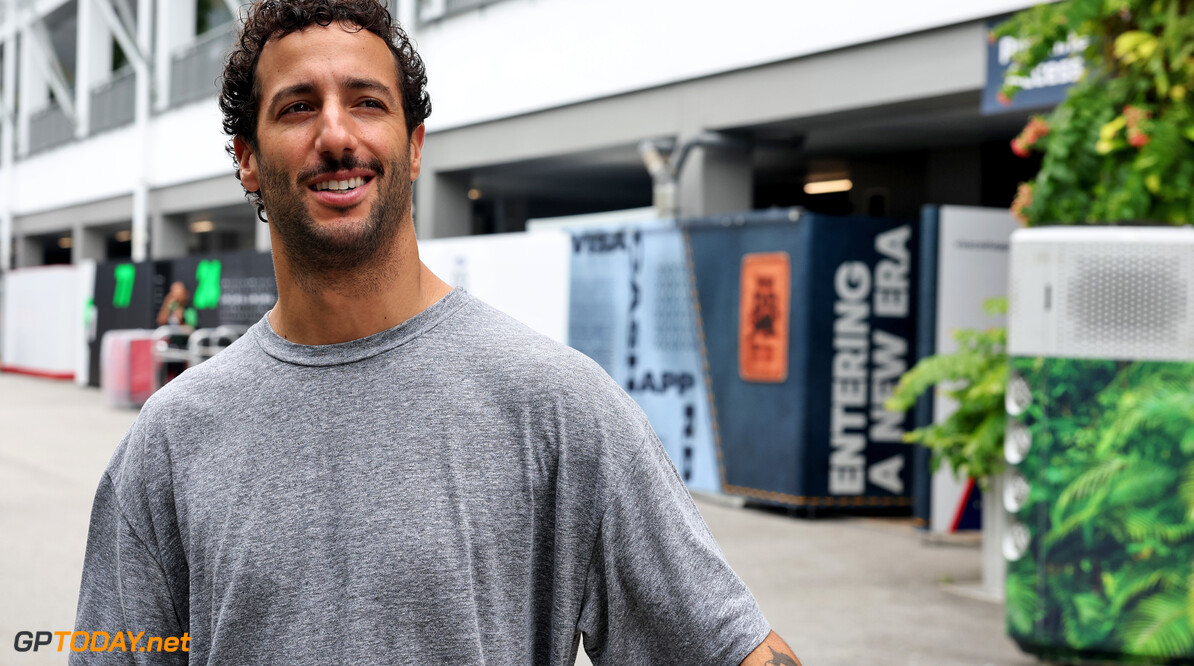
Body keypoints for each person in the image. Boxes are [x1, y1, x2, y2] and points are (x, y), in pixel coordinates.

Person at [72, 1, 802, 664]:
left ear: (414, 143)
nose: (336, 134)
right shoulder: (169, 444)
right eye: (298, 107)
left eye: (367, 102)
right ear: (248, 159)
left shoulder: (555, 406)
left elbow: (730, 651)